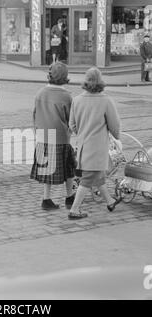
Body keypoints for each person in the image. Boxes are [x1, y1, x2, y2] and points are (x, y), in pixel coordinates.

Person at [69, 67, 121, 220]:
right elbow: (114, 125)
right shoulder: (105, 100)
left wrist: (82, 133)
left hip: (83, 145)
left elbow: (72, 124)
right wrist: (116, 136)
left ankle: (110, 201)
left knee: (98, 175)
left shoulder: (77, 100)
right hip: (97, 147)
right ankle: (74, 209)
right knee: (88, 178)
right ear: (101, 81)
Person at [30, 62, 76, 211]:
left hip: (43, 137)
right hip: (61, 138)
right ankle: (70, 196)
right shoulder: (66, 96)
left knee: (46, 170)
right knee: (69, 168)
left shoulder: (40, 93)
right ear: (65, 78)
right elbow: (71, 120)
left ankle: (46, 198)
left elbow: (35, 115)